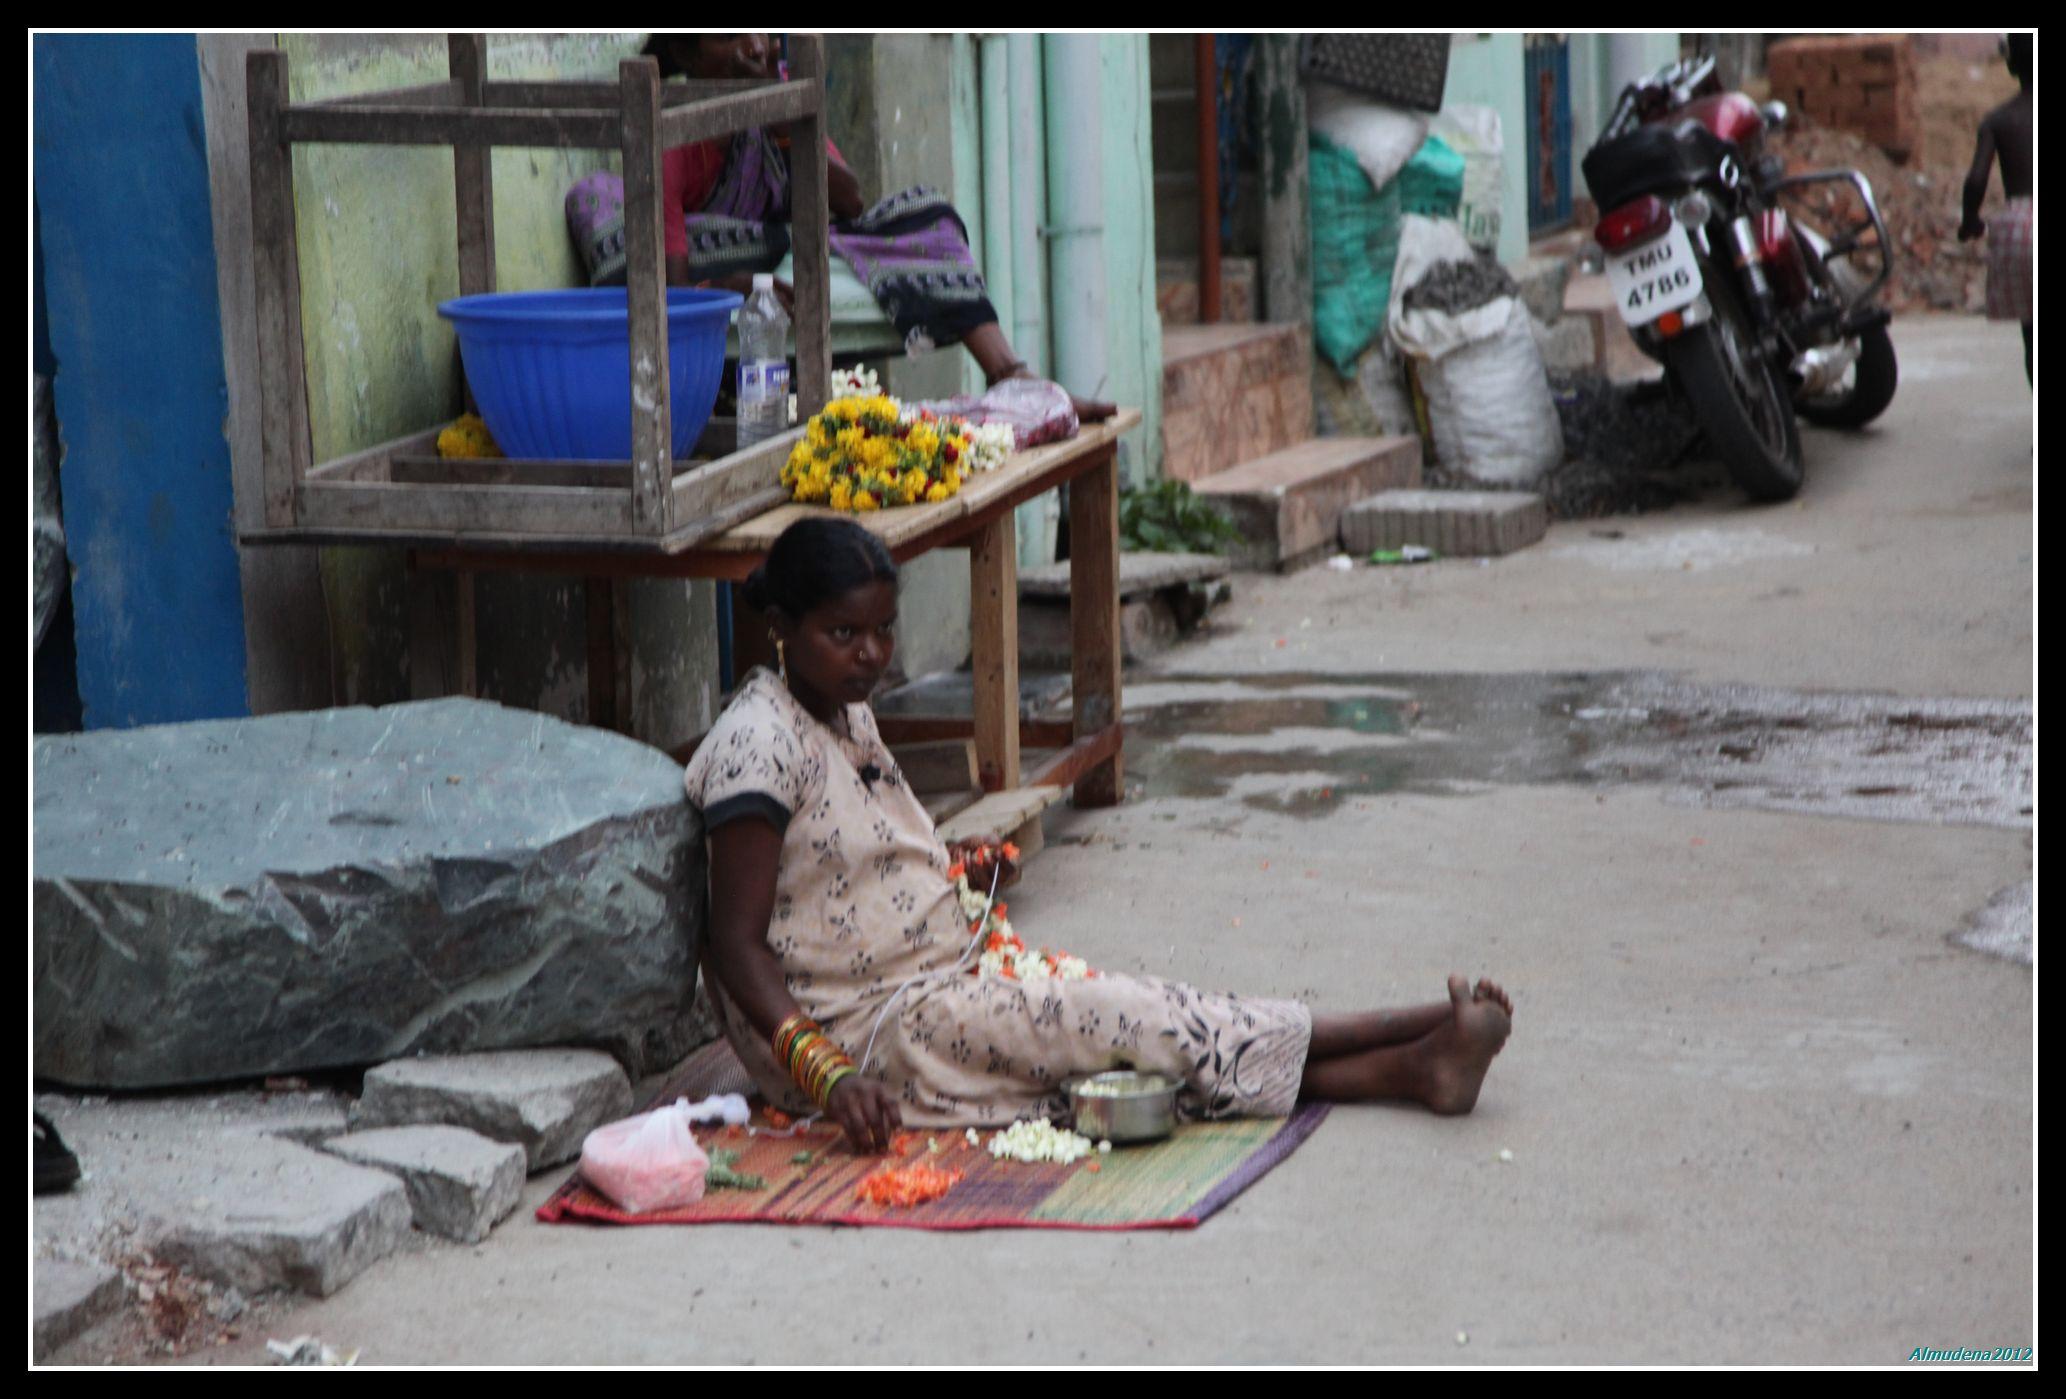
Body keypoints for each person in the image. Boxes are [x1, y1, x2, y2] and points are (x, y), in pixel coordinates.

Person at [684, 517, 1513, 1153]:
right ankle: (1404, 1027)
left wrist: (959, 879)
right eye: (844, 635)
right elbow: (736, 942)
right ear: (782, 627)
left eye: (882, 631)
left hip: (939, 979)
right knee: (1127, 1020)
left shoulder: (841, 708)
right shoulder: (759, 742)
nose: (871, 655)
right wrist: (828, 1079)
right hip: (869, 1036)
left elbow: (851, 864)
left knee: (1128, 1036)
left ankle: (1415, 1064)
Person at [566, 33, 1114, 422]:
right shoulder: (674, 125)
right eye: (731, 36)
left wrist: (786, 130)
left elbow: (851, 204)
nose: (756, 47)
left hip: (786, 253)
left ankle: (1009, 373)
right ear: (685, 52)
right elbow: (672, 278)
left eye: (763, 32)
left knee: (928, 216)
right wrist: (731, 286)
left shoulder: (775, 95)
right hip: (721, 274)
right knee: (603, 207)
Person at [1960, 34, 2033, 383]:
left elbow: (1976, 180)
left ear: (2010, 64)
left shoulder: (1998, 119)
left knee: (2032, 339)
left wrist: (1970, 220)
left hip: (2019, 228)